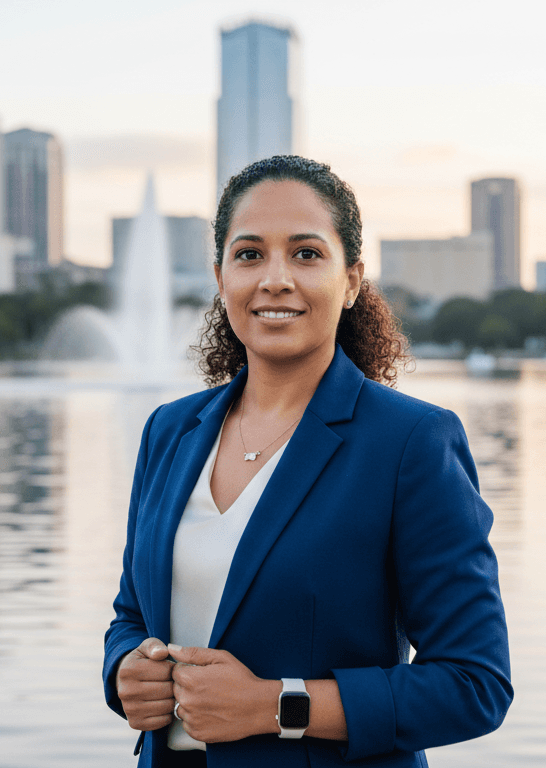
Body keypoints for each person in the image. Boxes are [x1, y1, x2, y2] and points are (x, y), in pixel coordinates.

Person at [103, 155, 511, 767]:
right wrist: (124, 672)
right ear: (220, 278)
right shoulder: (170, 431)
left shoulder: (412, 442)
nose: (274, 279)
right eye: (248, 254)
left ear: (351, 281)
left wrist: (276, 706)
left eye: (305, 253)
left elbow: (475, 685)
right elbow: (132, 614)